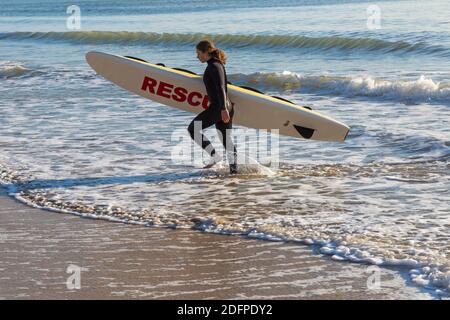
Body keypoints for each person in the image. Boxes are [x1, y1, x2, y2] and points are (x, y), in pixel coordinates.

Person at [188, 40, 238, 174]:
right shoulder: (215, 65)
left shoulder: (214, 66)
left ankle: (215, 156)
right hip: (224, 107)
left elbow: (221, 87)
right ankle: (234, 172)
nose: (197, 57)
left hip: (219, 108)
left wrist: (223, 110)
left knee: (192, 129)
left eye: (198, 53)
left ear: (205, 52)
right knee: (226, 140)